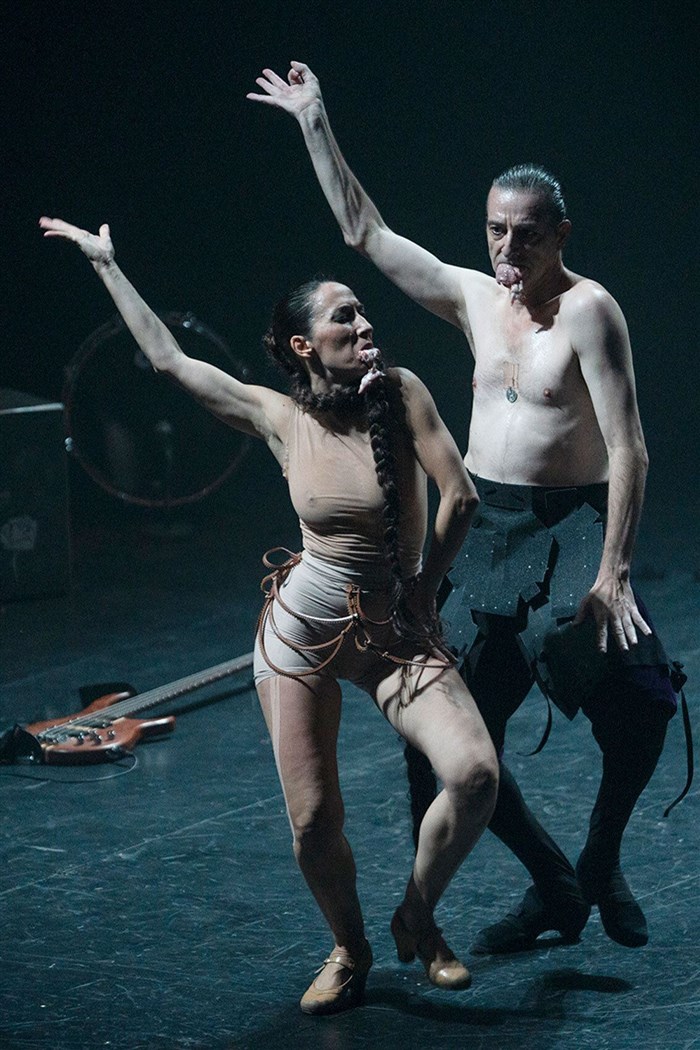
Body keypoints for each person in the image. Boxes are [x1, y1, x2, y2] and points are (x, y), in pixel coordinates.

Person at [247, 62, 679, 954]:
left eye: (526, 235)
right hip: (490, 532)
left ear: (560, 234)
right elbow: (366, 231)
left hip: (571, 524)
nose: (507, 250)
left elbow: (631, 447)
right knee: (441, 738)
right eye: (495, 232)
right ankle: (556, 885)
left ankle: (599, 862)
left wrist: (614, 571)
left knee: (641, 705)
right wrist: (314, 119)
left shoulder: (591, 312)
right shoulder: (475, 297)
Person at [40, 215, 499, 1013]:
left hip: (394, 632)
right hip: (304, 634)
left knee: (474, 775)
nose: (364, 324)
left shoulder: (402, 394)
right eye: (344, 317)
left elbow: (460, 496)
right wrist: (107, 263)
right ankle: (351, 949)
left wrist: (425, 589)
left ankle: (416, 917)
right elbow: (170, 360)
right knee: (314, 822)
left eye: (364, 311)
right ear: (302, 346)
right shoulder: (279, 418)